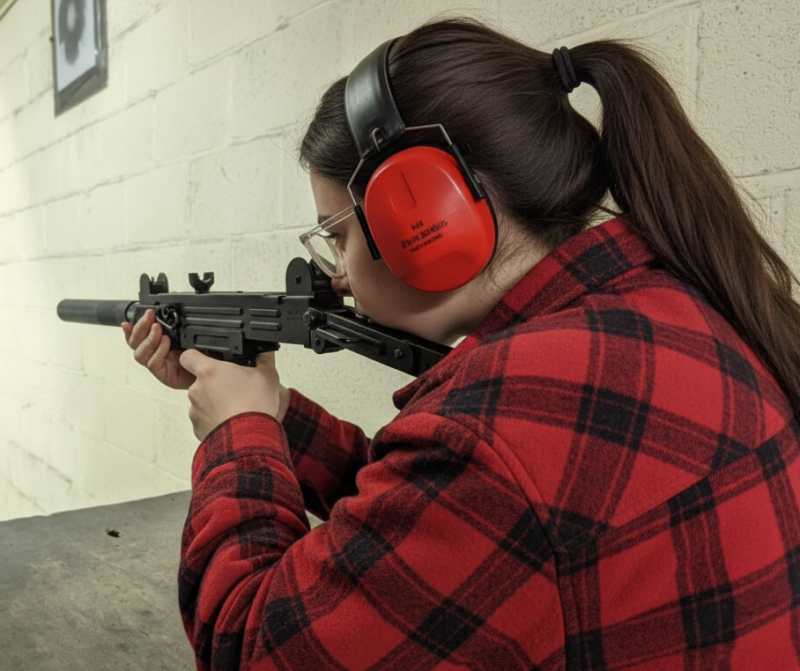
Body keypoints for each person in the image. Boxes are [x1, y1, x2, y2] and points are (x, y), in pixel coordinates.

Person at [122, 18, 800, 671]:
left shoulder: (496, 430)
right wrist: (271, 415)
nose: (338, 273)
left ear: (423, 213)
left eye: (337, 235)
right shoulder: (671, 301)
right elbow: (425, 522)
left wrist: (234, 435)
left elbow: (253, 645)